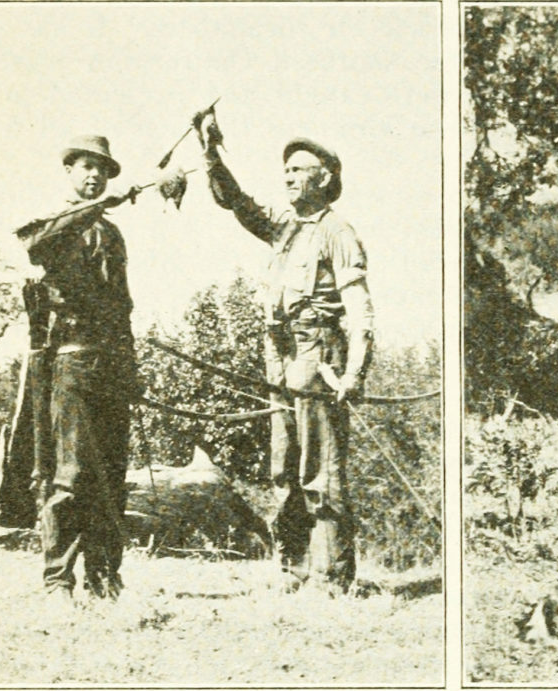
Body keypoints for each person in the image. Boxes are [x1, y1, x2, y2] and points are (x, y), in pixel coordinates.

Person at [194, 111, 374, 592]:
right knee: (284, 465)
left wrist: (354, 372)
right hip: (280, 355)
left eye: (298, 169)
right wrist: (210, 154)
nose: (288, 176)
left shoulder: (338, 232)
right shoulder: (285, 227)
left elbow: (360, 308)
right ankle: (293, 569)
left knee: (321, 468)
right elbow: (236, 202)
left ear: (324, 178)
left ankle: (331, 578)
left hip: (319, 354)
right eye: (286, 170)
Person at [19, 135, 143, 603]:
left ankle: (105, 579)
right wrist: (99, 207)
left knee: (111, 475)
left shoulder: (112, 233)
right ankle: (58, 581)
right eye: (86, 166)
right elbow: (36, 244)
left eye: (102, 169)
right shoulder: (55, 221)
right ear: (69, 170)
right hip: (69, 361)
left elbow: (122, 305)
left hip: (110, 363)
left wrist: (131, 367)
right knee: (70, 474)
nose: (95, 175)